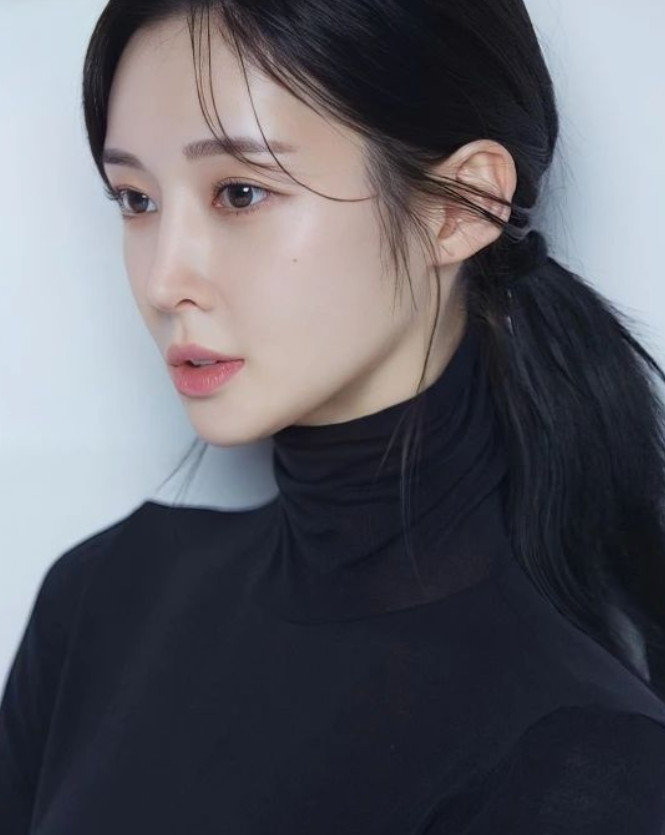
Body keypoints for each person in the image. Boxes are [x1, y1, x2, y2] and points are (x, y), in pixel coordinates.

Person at [2, 1, 665, 832]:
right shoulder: (100, 603)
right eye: (136, 200)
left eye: (239, 192)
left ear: (462, 204)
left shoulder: (575, 751)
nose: (164, 278)